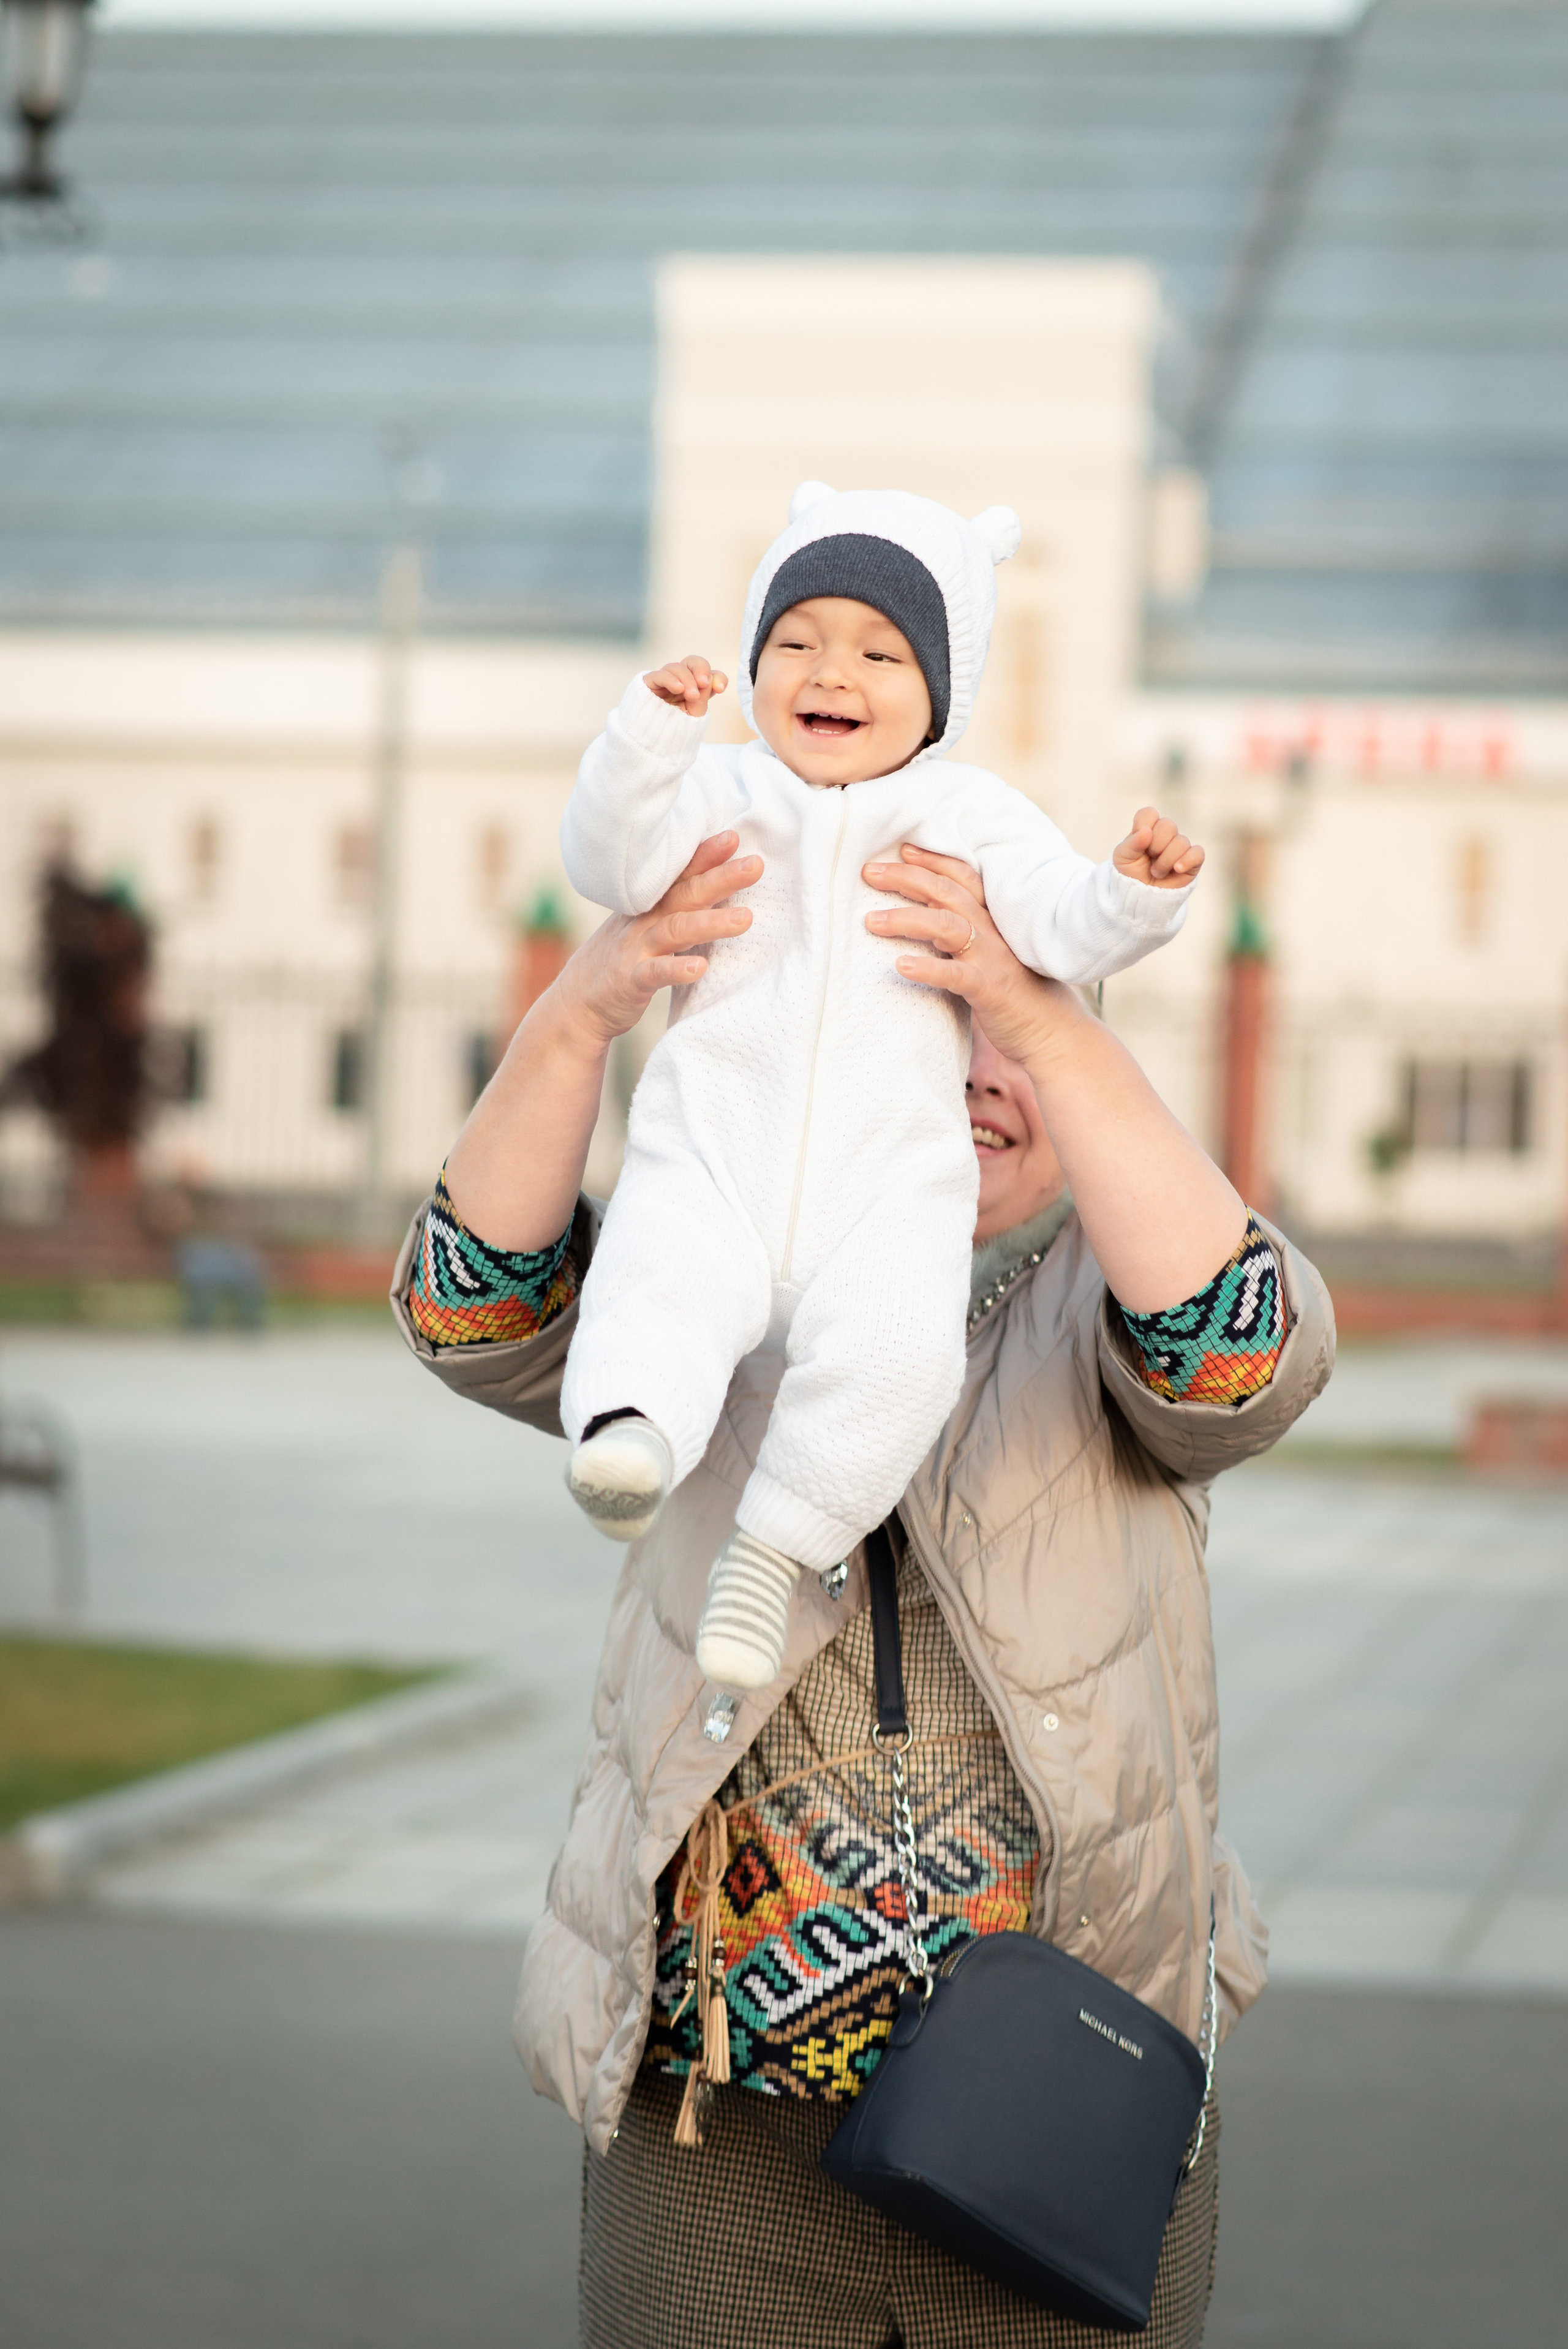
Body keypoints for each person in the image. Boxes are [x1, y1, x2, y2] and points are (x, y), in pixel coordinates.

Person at [392, 830, 1335, 2349]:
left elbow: (1245, 1360)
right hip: (717, 2128)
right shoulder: (703, 1289)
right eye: (903, 1017)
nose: (959, 1077)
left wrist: (1041, 1011)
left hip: (1066, 2104)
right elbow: (475, 1308)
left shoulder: (1120, 1285)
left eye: (1004, 1027)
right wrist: (580, 1012)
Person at [557, 481, 1204, 1694]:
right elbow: (606, 856)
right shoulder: (718, 792)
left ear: (940, 692)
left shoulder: (967, 815)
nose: (828, 672)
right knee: (658, 1276)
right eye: (793, 641)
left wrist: (1131, 896)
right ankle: (629, 1433)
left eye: (876, 650)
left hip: (887, 1188)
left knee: (903, 1360)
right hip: (716, 1151)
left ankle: (772, 1548)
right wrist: (644, 742)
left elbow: (1061, 929)